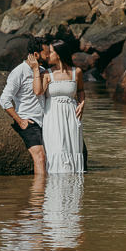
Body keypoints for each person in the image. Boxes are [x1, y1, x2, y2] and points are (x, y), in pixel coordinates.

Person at [0, 37, 52, 176]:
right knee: (40, 157)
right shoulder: (19, 72)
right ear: (36, 55)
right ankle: (39, 196)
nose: (48, 56)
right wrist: (20, 121)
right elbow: (4, 99)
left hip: (45, 121)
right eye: (46, 53)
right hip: (29, 121)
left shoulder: (43, 71)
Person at [32, 39, 86, 174]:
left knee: (72, 148)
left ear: (59, 54)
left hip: (71, 115)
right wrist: (35, 71)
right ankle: (54, 188)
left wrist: (82, 102)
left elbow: (80, 91)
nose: (48, 55)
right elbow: (38, 92)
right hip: (53, 116)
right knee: (57, 148)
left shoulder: (76, 72)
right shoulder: (47, 74)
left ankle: (73, 189)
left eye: (51, 52)